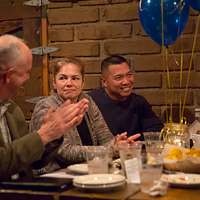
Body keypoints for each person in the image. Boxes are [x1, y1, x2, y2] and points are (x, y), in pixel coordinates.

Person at [0, 34, 89, 180]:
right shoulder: (44, 106)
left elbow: (32, 162)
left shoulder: (12, 110)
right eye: (26, 73)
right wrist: (44, 134)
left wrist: (54, 136)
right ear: (7, 76)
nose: (28, 79)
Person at [30, 57, 140, 173]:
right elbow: (65, 153)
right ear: (54, 83)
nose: (69, 83)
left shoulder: (87, 100)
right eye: (62, 78)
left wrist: (118, 144)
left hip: (88, 171)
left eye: (75, 78)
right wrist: (110, 149)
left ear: (83, 83)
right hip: (53, 176)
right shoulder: (46, 107)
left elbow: (105, 138)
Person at [89, 55, 163, 140]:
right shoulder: (91, 102)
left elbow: (156, 130)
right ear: (104, 82)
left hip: (135, 151)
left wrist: (132, 143)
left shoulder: (139, 102)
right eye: (119, 77)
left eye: (129, 75)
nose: (126, 81)